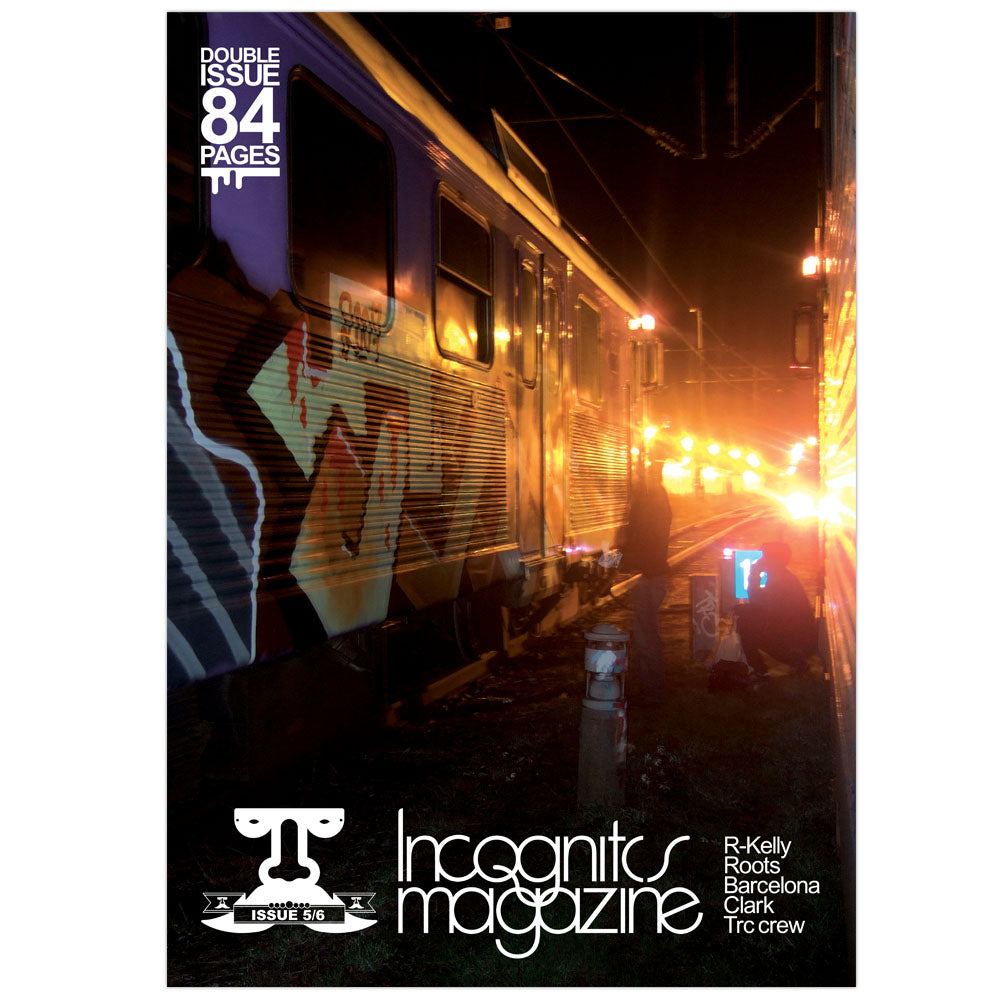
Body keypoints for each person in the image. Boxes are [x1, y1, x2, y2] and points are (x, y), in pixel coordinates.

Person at [621, 460, 672, 702]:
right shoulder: (658, 499)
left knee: (646, 635)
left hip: (648, 576)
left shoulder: (649, 502)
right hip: (652, 573)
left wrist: (611, 560)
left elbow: (641, 542)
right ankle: (652, 686)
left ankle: (652, 690)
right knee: (647, 633)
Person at [735, 540, 817, 677]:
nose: (760, 560)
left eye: (764, 557)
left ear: (771, 559)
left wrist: (753, 575)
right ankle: (793, 663)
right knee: (748, 618)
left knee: (746, 624)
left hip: (797, 640)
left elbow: (763, 607)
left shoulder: (780, 580)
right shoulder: (781, 576)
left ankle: (762, 670)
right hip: (797, 635)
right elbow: (762, 604)